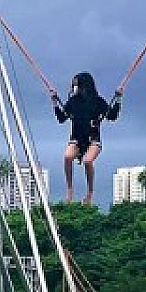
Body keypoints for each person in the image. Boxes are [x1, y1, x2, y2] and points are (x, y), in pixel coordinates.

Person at [51, 73, 121, 204]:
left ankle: (89, 192)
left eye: (77, 85)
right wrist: (55, 102)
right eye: (74, 85)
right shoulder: (73, 102)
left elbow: (112, 116)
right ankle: (70, 189)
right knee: (67, 157)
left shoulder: (98, 101)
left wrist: (118, 99)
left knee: (87, 161)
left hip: (93, 139)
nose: (75, 88)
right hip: (77, 139)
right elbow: (61, 118)